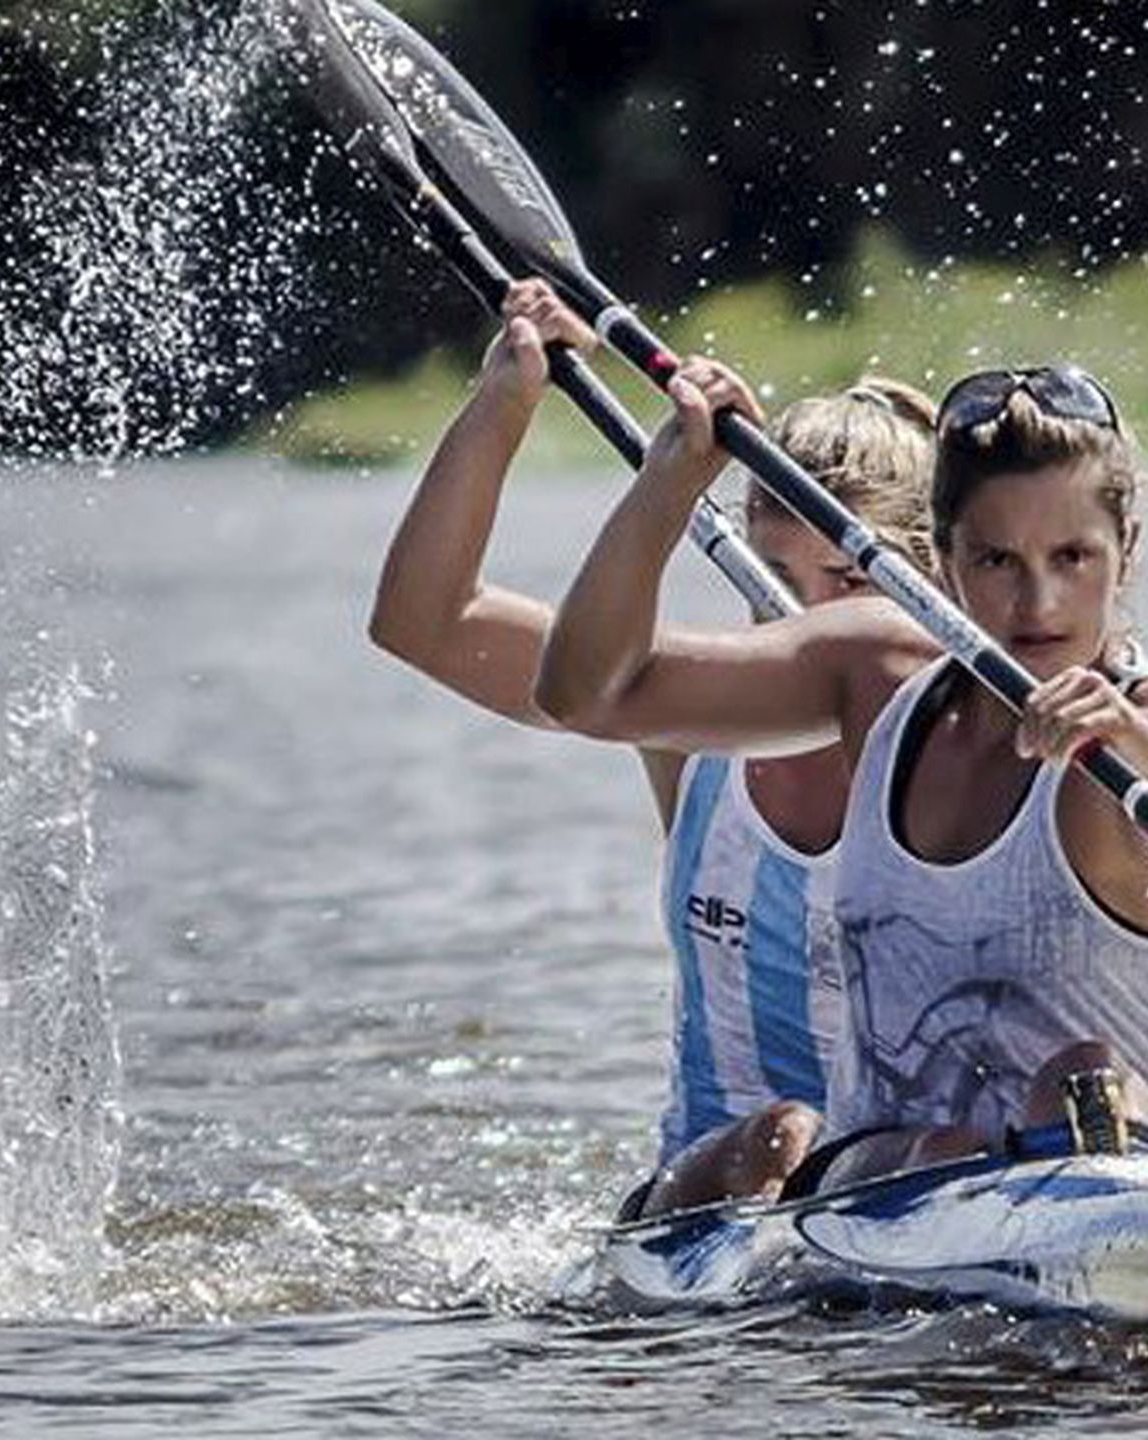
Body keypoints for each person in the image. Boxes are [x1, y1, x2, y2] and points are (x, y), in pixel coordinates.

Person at [536, 357, 1148, 1192]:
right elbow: (584, 694)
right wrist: (670, 484)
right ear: (938, 559)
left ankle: (1080, 1175)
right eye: (996, 561)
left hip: (1138, 1174)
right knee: (841, 1144)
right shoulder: (876, 673)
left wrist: (1128, 739)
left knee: (1079, 1074)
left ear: (1126, 552)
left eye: (1073, 557)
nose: (1039, 603)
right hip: (897, 1181)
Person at [368, 280, 937, 1213]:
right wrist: (506, 401)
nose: (804, 614)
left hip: (907, 1184)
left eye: (846, 581)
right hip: (705, 1199)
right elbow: (423, 622)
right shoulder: (682, 714)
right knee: (784, 1133)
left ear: (934, 581)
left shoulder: (964, 741)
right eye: (775, 572)